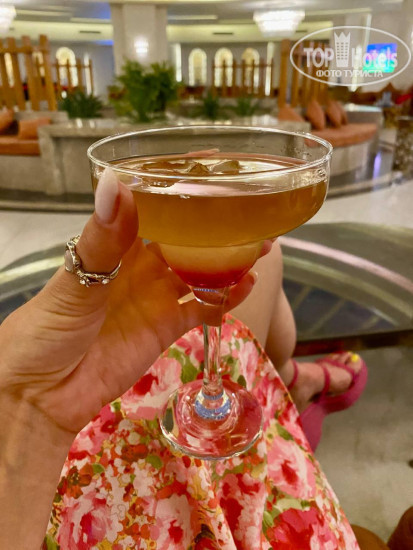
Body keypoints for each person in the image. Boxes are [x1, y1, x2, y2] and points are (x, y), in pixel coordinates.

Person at [0, 168, 372, 549]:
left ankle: (288, 379)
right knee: (260, 265)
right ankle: (289, 381)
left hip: (44, 455)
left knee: (245, 268)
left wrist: (24, 403)